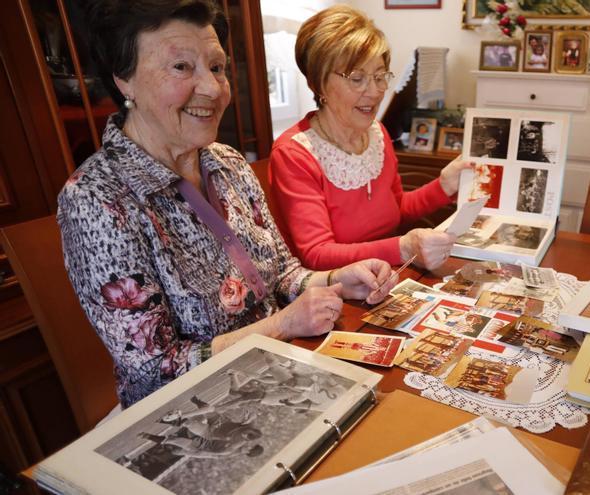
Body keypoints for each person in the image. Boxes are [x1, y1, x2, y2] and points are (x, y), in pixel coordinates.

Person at [58, 0, 396, 408]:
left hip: (285, 371)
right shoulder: (96, 200)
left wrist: (338, 278)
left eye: (216, 67)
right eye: (182, 67)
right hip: (195, 412)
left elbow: (283, 274)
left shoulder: (229, 164)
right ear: (124, 80)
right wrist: (283, 325)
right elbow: (156, 370)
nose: (214, 89)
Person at [269, 5, 473, 271]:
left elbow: (398, 208)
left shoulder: (377, 133)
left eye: (379, 76)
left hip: (384, 279)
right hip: (331, 296)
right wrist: (402, 247)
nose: (375, 91)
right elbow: (316, 255)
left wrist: (444, 186)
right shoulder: (294, 154)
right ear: (317, 84)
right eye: (357, 78)